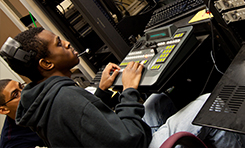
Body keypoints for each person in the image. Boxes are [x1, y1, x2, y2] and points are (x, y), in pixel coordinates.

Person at [0, 27, 152, 147]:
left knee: (156, 102)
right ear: (47, 64)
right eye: (58, 43)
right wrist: (129, 90)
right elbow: (130, 140)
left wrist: (102, 91)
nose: (67, 43)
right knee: (165, 105)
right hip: (137, 140)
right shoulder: (66, 97)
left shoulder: (45, 101)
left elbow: (84, 121)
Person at [0, 79, 45, 148]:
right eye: (15, 95)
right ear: (3, 110)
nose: (24, 93)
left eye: (21, 87)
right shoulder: (13, 141)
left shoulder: (37, 100)